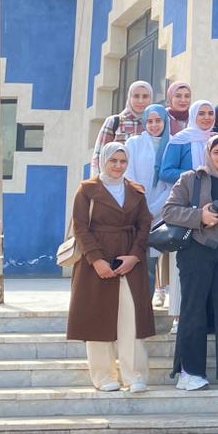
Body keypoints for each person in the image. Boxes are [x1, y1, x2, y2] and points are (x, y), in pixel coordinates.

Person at [161, 134, 218, 390]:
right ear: (208, 154)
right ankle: (189, 371)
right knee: (194, 311)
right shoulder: (191, 179)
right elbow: (168, 211)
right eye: (217, 152)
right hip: (196, 252)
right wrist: (199, 216)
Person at [67, 142, 155, 392]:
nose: (118, 166)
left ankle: (134, 375)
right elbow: (80, 226)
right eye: (113, 160)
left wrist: (135, 256)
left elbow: (144, 226)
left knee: (131, 318)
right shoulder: (87, 190)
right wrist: (96, 260)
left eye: (123, 161)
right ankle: (104, 376)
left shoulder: (135, 191)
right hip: (96, 262)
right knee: (98, 317)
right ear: (103, 161)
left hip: (129, 261)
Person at [124, 104, 173, 308]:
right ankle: (132, 307)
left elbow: (172, 185)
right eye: (150, 121)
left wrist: (153, 210)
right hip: (135, 211)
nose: (154, 125)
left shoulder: (173, 144)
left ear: (165, 122)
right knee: (134, 259)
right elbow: (128, 176)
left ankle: (146, 308)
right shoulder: (134, 143)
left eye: (158, 121)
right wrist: (141, 208)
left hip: (160, 213)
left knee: (152, 263)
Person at [91, 80, 152, 175]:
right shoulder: (114, 122)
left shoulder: (156, 124)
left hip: (147, 180)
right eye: (136, 96)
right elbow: (99, 155)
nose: (140, 101)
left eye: (145, 96)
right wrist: (99, 181)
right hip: (117, 179)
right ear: (129, 97)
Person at [160, 100, 216, 185]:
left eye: (211, 113)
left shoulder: (215, 139)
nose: (207, 117)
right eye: (201, 114)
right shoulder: (179, 140)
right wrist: (195, 175)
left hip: (212, 191)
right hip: (185, 191)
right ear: (193, 115)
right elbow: (165, 173)